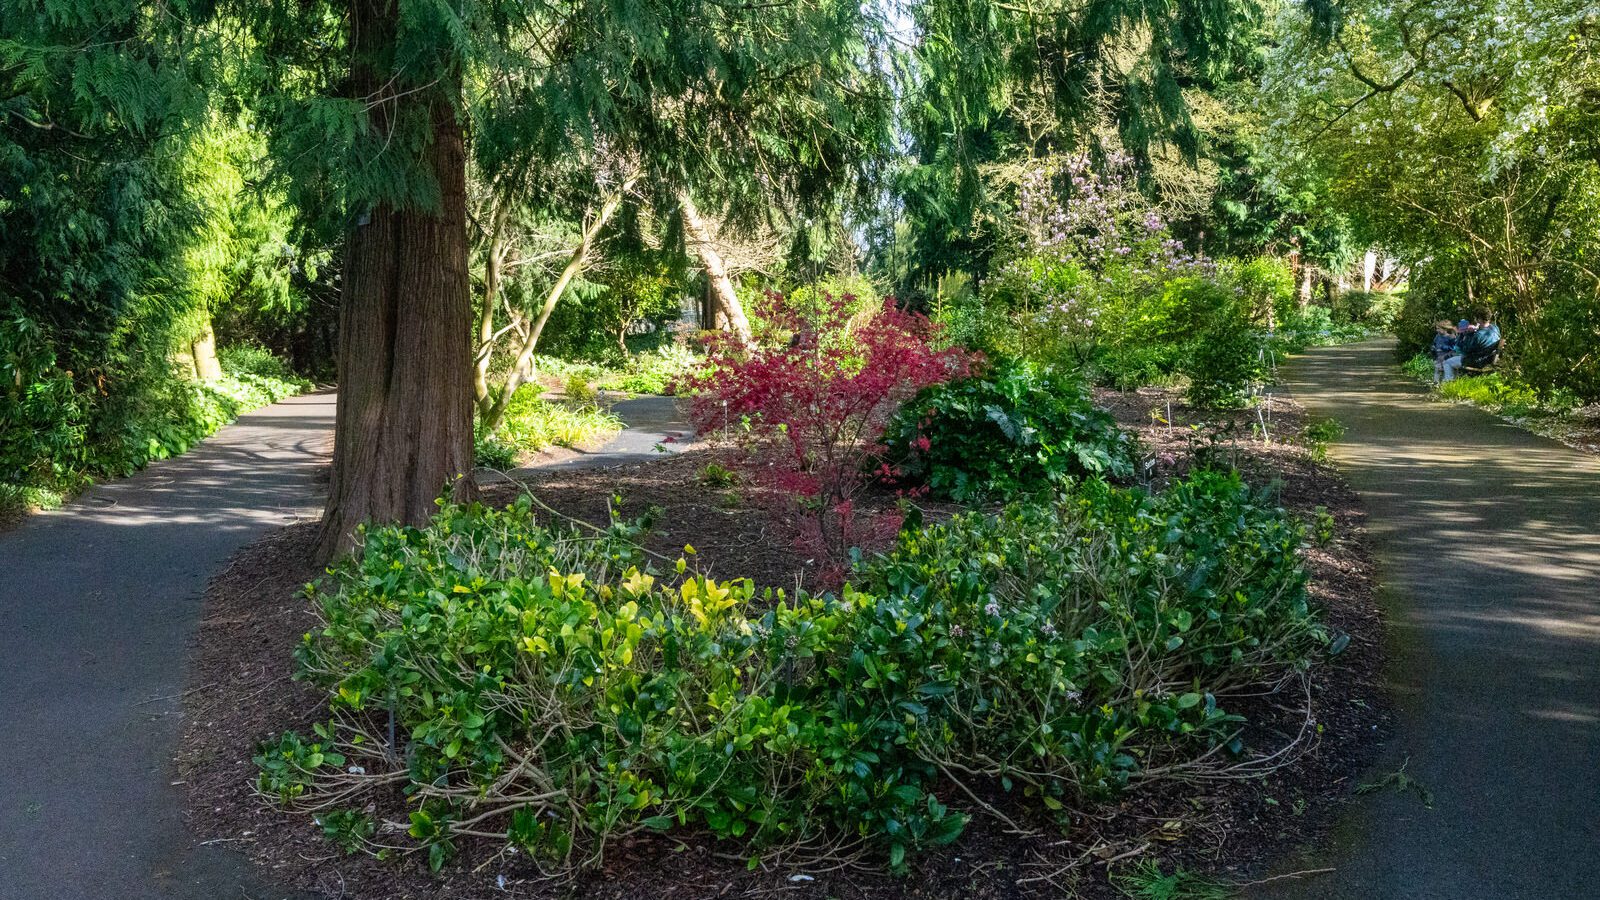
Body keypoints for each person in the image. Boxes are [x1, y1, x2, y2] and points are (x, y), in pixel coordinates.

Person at [1442, 310, 1503, 382]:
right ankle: (1455, 382)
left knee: (1447, 362)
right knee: (1453, 358)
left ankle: (1448, 384)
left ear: (1479, 319)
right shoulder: (1495, 328)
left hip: (1477, 362)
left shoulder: (1478, 335)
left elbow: (1465, 350)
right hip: (1489, 358)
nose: (1475, 320)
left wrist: (1468, 334)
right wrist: (1477, 330)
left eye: (1476, 318)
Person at [1430, 320, 1458, 384]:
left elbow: (1454, 348)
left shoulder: (1450, 337)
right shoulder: (1437, 336)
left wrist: (1443, 347)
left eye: (1438, 329)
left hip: (1447, 356)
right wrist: (1433, 348)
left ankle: (1446, 383)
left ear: (1445, 329)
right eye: (1436, 328)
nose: (1437, 330)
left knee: (1446, 370)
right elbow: (1434, 344)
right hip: (1438, 356)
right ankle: (1435, 383)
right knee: (1437, 369)